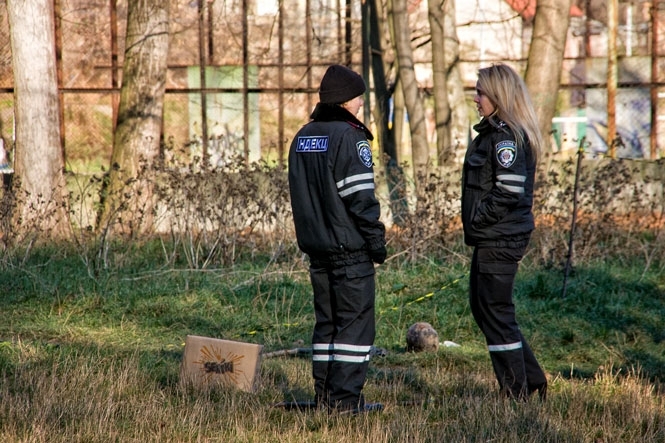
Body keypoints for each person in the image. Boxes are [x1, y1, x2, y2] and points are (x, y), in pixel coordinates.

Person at [288, 64, 387, 414]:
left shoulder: (302, 137)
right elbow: (360, 199)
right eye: (358, 97)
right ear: (346, 101)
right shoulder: (349, 137)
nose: (361, 104)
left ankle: (325, 398)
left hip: (317, 251)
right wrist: (376, 242)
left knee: (327, 326)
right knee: (354, 328)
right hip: (349, 251)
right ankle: (344, 402)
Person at [461, 63, 547, 401]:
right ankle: (533, 381)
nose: (475, 98)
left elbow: (509, 191)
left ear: (497, 95)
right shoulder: (494, 134)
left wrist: (479, 221)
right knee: (485, 308)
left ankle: (516, 391)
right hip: (492, 236)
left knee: (495, 311)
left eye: (480, 92)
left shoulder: (506, 137)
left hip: (499, 237)